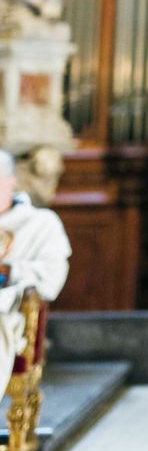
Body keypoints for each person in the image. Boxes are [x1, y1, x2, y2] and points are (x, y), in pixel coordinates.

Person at [0, 150, 71, 394]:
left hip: (9, 315)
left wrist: (9, 271)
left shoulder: (41, 223)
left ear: (11, 181)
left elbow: (52, 277)